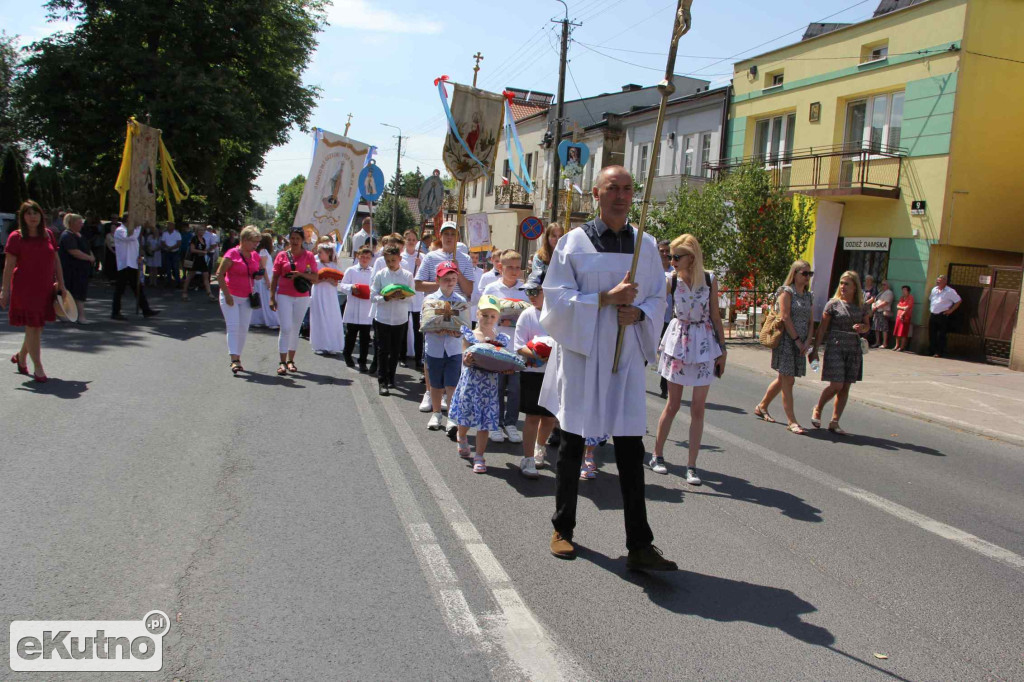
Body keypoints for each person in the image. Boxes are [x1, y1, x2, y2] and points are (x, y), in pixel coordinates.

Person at [539, 165, 676, 571]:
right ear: (596, 194)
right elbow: (556, 300)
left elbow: (657, 300)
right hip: (583, 356)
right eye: (612, 188)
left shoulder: (645, 246)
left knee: (631, 449)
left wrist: (637, 314)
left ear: (634, 195)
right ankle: (563, 528)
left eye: (627, 188)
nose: (620, 195)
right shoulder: (572, 242)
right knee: (572, 443)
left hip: (625, 358)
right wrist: (604, 299)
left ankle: (640, 544)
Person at [650, 234, 726, 484]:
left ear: (691, 257)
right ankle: (657, 455)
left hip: (704, 343)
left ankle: (691, 466)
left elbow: (716, 317)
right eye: (669, 255)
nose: (671, 260)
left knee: (698, 407)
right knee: (672, 404)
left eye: (676, 256)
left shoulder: (709, 279)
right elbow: (654, 305)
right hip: (679, 340)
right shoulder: (670, 279)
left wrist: (722, 351)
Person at [1, 200, 66, 382]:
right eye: (28, 213)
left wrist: (62, 284)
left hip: (45, 287)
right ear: (23, 217)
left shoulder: (48, 235)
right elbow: (9, 265)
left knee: (38, 326)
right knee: (33, 326)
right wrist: (4, 290)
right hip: (25, 287)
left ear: (41, 216)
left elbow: (56, 261)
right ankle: (38, 366)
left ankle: (21, 357)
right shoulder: (16, 236)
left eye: (35, 213)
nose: (32, 217)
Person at [448, 295, 514, 474]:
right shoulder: (471, 334)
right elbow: (465, 357)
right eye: (485, 315)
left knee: (484, 422)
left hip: (490, 386)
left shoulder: (500, 338)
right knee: (466, 418)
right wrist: (468, 359)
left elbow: (502, 360)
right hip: (471, 384)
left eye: (492, 316)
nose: (488, 319)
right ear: (477, 314)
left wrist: (506, 368)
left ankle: (479, 456)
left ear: (498, 318)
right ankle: (461, 437)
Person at [809, 270, 872, 435]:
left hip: (853, 347)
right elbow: (822, 328)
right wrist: (815, 350)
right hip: (835, 345)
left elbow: (867, 326)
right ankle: (818, 408)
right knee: (836, 384)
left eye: (847, 284)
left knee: (846, 386)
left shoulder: (862, 305)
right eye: (841, 283)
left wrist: (863, 328)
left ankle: (835, 421)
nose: (843, 287)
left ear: (855, 287)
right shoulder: (833, 304)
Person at [754, 260, 814, 434]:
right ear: (794, 274)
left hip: (801, 342)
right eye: (804, 273)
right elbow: (785, 317)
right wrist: (797, 341)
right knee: (788, 380)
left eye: (810, 274)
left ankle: (762, 406)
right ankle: (792, 421)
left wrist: (808, 341)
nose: (807, 277)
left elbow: (811, 321)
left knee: (784, 379)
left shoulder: (809, 295)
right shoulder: (786, 292)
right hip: (788, 342)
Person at [513, 272, 557, 479]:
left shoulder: (558, 313)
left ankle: (541, 446)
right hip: (532, 373)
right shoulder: (527, 314)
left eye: (534, 291)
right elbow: (518, 346)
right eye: (527, 291)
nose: (530, 295)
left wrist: (553, 355)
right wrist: (539, 355)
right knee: (532, 417)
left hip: (555, 374)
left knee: (549, 418)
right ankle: (528, 458)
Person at [483, 249, 527, 444]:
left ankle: (511, 423)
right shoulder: (491, 289)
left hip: (518, 347)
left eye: (518, 267)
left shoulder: (526, 290)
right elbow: (483, 317)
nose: (514, 271)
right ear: (500, 267)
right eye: (510, 267)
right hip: (497, 346)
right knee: (497, 387)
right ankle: (496, 423)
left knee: (516, 389)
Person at [423, 262, 465, 433]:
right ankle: (436, 413)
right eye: (446, 279)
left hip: (454, 348)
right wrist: (435, 329)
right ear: (438, 279)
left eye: (453, 279)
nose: (450, 282)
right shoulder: (430, 299)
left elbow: (464, 324)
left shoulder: (460, 301)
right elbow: (424, 323)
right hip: (434, 346)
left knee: (452, 384)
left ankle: (452, 417)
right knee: (435, 383)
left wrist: (458, 333)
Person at [269, 227, 318, 375]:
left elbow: (315, 277)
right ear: (288, 239)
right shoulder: (281, 255)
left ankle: (291, 360)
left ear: (302, 240)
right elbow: (275, 277)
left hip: (302, 296)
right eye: (292, 238)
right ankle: (282, 362)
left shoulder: (308, 256)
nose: (295, 241)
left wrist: (300, 274)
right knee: (285, 328)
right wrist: (272, 297)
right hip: (284, 294)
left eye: (298, 238)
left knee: (295, 328)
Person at [215, 226, 262, 374]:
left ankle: (238, 357)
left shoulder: (255, 255)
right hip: (231, 296)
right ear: (245, 240)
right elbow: (219, 274)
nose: (256, 245)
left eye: (258, 242)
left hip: (247, 297)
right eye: (254, 241)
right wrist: (227, 295)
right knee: (233, 326)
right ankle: (234, 359)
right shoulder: (232, 254)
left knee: (243, 329)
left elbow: (254, 271)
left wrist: (258, 275)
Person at [370, 245, 414, 395]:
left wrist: (401, 296)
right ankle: (382, 381)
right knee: (383, 350)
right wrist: (385, 298)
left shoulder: (407, 275)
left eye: (393, 260)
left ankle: (391, 377)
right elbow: (373, 296)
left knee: (395, 350)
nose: (390, 263)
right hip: (382, 318)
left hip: (400, 319)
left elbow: (412, 296)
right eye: (388, 260)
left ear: (400, 259)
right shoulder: (380, 275)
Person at [415, 221, 476, 300]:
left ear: (457, 238)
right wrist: (443, 284)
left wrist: (458, 271)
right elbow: (418, 285)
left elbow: (469, 290)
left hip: (457, 306)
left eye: (453, 234)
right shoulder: (430, 257)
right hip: (435, 304)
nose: (449, 237)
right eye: (446, 233)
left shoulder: (466, 259)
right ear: (440, 236)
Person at [111, 220, 158, 320]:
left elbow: (134, 246)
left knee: (138, 288)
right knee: (120, 289)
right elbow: (130, 238)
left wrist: (139, 256)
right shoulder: (120, 230)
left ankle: (146, 309)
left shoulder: (131, 231)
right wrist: (138, 228)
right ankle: (115, 312)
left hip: (132, 263)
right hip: (124, 264)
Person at [339, 246, 374, 371]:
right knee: (351, 336)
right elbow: (342, 285)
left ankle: (363, 361)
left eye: (367, 257)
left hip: (366, 309)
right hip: (353, 307)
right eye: (362, 257)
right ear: (358, 257)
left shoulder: (373, 272)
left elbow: (375, 287)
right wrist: (351, 287)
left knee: (365, 338)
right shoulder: (351, 270)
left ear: (370, 259)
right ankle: (347, 355)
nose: (364, 259)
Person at [58, 213, 95, 324]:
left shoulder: (79, 235)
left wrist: (92, 257)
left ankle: (80, 315)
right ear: (72, 223)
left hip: (81, 270)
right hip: (70, 269)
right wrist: (89, 258)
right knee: (68, 292)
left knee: (80, 292)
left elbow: (86, 248)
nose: (81, 225)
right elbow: (74, 251)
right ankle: (65, 314)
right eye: (79, 223)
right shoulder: (67, 235)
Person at [309, 243, 345, 356]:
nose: (318, 254)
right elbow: (313, 281)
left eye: (321, 252)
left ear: (328, 253)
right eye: (318, 252)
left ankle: (332, 344)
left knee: (331, 317)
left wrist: (331, 280)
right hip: (319, 292)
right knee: (319, 316)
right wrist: (323, 279)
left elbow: (336, 283)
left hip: (330, 294)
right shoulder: (316, 264)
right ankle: (318, 345)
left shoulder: (334, 265)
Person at [401, 230, 425, 369]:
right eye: (408, 239)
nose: (411, 241)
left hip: (417, 298)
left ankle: (418, 359)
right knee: (403, 328)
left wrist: (420, 264)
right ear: (405, 240)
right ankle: (402, 356)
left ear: (417, 241)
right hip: (404, 296)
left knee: (418, 330)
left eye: (413, 239)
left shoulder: (422, 257)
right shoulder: (400, 257)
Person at [249, 233, 279, 329]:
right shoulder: (264, 251)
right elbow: (263, 267)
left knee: (261, 300)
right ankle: (271, 321)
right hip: (263, 280)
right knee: (267, 300)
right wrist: (267, 280)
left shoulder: (261, 251)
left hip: (263, 279)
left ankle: (258, 320)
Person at [928, 275, 961, 358]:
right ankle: (932, 350)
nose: (937, 282)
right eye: (937, 281)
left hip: (942, 315)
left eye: (940, 281)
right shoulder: (934, 289)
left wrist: (950, 310)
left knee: (941, 335)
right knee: (932, 334)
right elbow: (931, 299)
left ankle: (939, 352)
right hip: (933, 314)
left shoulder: (950, 291)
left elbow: (958, 301)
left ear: (945, 282)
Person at [181, 224, 215, 302]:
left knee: (205, 275)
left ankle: (209, 293)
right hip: (194, 259)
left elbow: (205, 248)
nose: (202, 232)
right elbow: (192, 250)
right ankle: (184, 292)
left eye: (203, 230)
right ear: (197, 231)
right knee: (190, 276)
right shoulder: (194, 239)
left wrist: (206, 251)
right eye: (200, 230)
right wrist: (202, 251)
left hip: (201, 259)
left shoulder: (203, 239)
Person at [657, 239, 673, 399]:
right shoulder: (652, 270)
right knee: (647, 351)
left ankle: (665, 388)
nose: (665, 254)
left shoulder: (675, 272)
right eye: (662, 250)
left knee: (667, 354)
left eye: (667, 251)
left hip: (668, 320)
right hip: (653, 317)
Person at [871, 279, 894, 349]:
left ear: (888, 285)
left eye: (884, 284)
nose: (882, 286)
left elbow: (886, 302)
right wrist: (873, 305)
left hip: (883, 311)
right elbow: (876, 300)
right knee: (876, 327)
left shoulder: (889, 292)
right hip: (877, 311)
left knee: (884, 328)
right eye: (882, 284)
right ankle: (877, 342)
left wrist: (876, 307)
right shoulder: (881, 292)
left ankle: (884, 343)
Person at [893, 285, 914, 352]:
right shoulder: (902, 298)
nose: (903, 291)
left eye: (905, 290)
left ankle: (902, 347)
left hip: (905, 317)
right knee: (897, 332)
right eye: (903, 290)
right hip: (898, 317)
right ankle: (896, 345)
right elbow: (897, 306)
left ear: (908, 291)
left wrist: (902, 313)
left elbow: (908, 307)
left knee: (903, 333)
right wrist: (902, 308)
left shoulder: (910, 298)